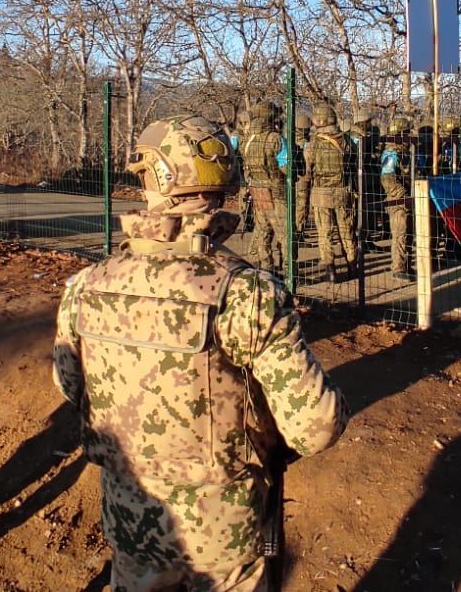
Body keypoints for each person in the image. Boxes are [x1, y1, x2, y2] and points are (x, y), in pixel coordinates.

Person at [53, 115, 348, 590]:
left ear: (152, 179)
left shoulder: (87, 286)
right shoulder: (247, 292)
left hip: (129, 522)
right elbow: (316, 428)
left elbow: (69, 385)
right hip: (225, 538)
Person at [308, 103, 359, 283]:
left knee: (325, 233)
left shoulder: (314, 142)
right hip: (342, 191)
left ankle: (331, 271)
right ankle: (353, 265)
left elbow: (308, 169)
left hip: (321, 193)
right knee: (347, 231)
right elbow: (354, 161)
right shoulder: (345, 140)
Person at [239, 101, 288, 273]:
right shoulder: (275, 139)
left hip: (258, 190)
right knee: (285, 234)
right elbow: (286, 166)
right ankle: (289, 271)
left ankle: (266, 268)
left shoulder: (248, 140)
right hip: (277, 192)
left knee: (263, 231)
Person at [381, 117, 414, 281]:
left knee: (408, 233)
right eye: (407, 132)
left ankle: (406, 264)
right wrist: (403, 195)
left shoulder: (403, 152)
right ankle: (398, 267)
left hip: (406, 198)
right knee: (400, 234)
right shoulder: (391, 153)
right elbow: (387, 179)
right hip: (398, 200)